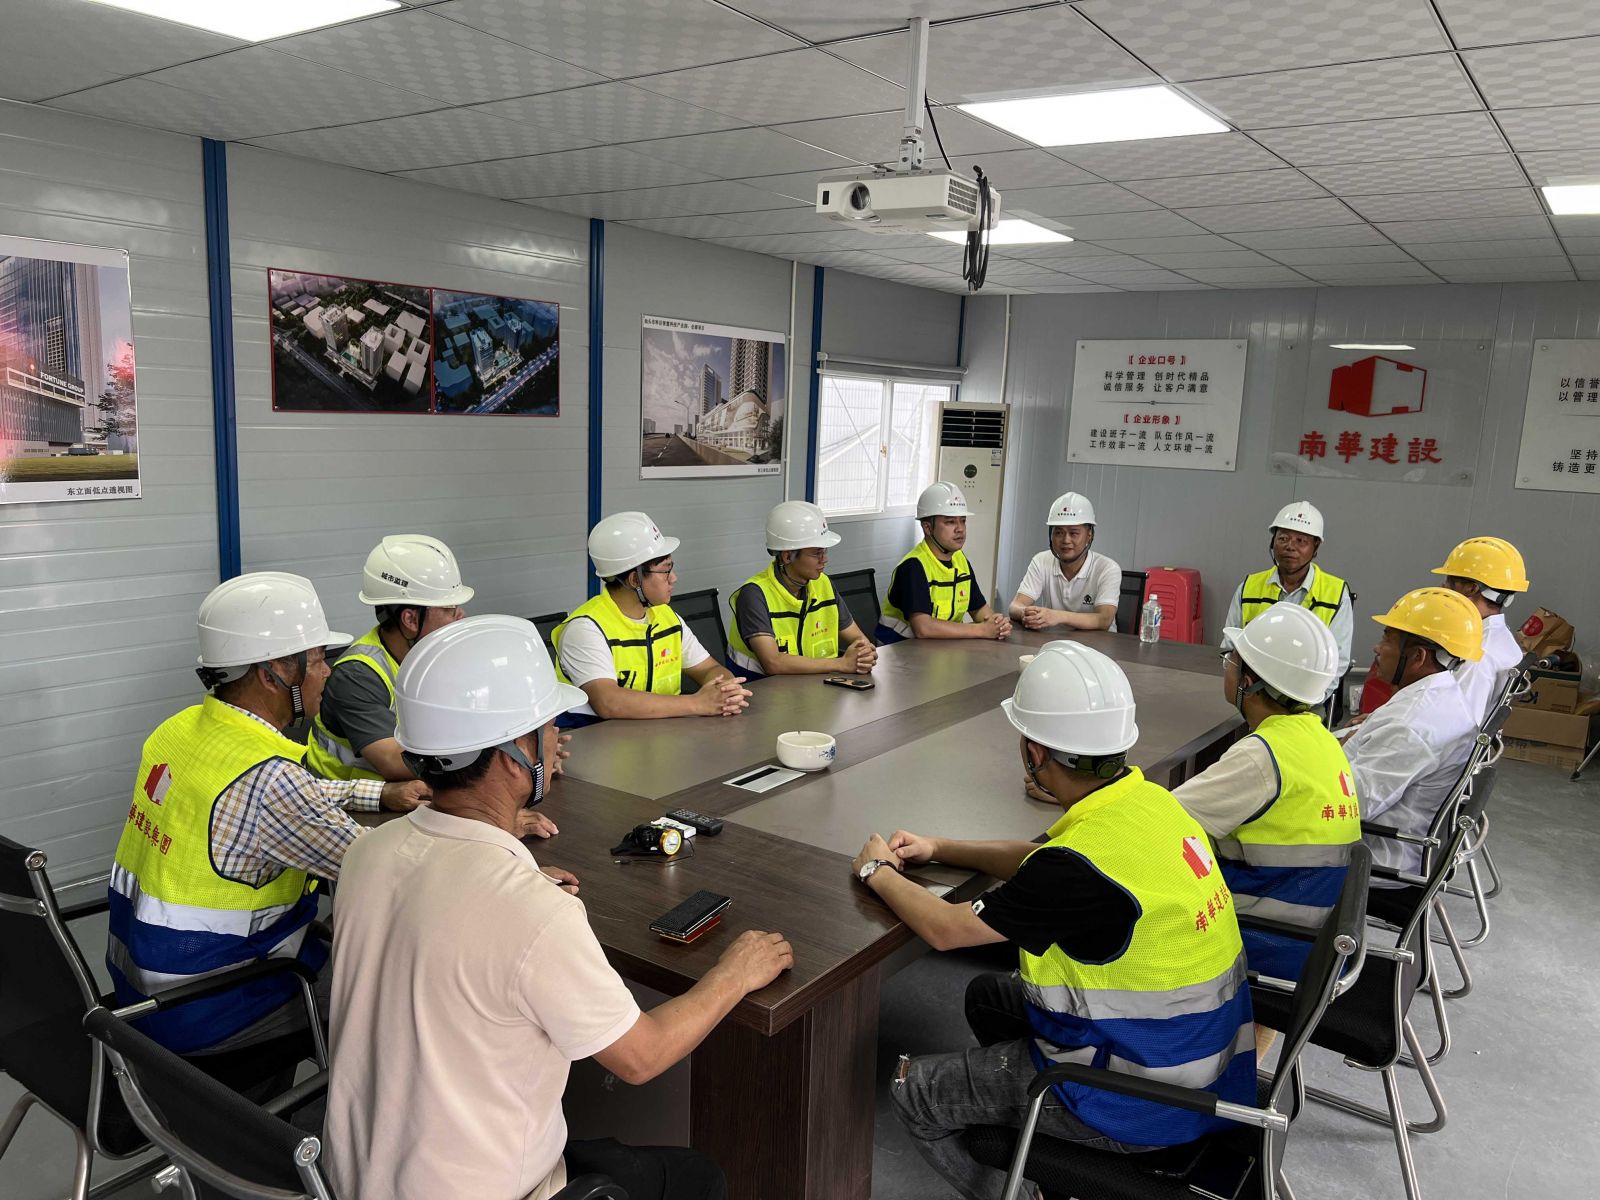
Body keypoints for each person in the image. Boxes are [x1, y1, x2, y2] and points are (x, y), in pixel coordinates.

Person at [326, 615, 793, 1200]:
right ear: (513, 754)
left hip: (354, 1174)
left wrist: (516, 884)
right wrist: (734, 973)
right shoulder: (533, 912)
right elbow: (642, 1057)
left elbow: (445, 908)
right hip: (480, 1189)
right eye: (548, 728)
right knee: (701, 1178)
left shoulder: (367, 852)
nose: (557, 741)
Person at [852, 642, 1254, 1200]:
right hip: (1206, 1067)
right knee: (988, 997)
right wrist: (939, 846)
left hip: (1141, 1098)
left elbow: (946, 929)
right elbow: (1041, 863)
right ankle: (1035, 1129)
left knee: (914, 1090)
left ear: (1034, 752)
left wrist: (875, 870)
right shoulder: (1153, 806)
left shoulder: (1075, 868)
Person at [107, 573, 430, 1057]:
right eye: (317, 659)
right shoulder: (271, 783)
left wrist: (378, 793)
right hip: (218, 1005)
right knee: (399, 991)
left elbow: (272, 799)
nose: (327, 672)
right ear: (273, 671)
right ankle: (341, 1101)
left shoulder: (178, 731)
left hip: (142, 992)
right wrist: (495, 841)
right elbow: (391, 870)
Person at [1174, 603, 1360, 988]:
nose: (1226, 667)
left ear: (1249, 682)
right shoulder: (1321, 739)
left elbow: (1159, 818)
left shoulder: (1263, 756)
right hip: (1311, 936)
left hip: (1264, 940)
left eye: (1231, 660)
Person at [553, 511, 752, 722]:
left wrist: (726, 690)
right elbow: (609, 702)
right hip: (599, 739)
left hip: (663, 734)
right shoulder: (586, 629)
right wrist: (698, 703)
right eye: (666, 570)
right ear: (635, 580)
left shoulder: (666, 617)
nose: (673, 578)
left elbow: (709, 668)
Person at [307, 534, 473, 784]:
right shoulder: (357, 675)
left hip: (409, 792)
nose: (461, 615)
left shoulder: (435, 656)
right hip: (347, 799)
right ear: (411, 619)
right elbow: (395, 762)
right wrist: (486, 757)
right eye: (450, 609)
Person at [1343, 588, 1483, 881]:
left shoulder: (1411, 725)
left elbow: (1353, 804)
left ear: (1418, 657)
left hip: (1370, 859)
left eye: (1387, 639)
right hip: (1399, 842)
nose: (1377, 648)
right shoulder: (1440, 696)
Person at [727, 500, 877, 679]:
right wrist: (841, 664)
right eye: (816, 553)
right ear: (787, 556)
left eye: (824, 551)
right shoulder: (754, 594)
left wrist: (865, 654)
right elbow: (773, 662)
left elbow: (859, 640)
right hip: (760, 689)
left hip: (813, 684)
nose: (824, 559)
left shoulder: (823, 583)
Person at [1224, 501, 1353, 702]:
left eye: (1301, 541)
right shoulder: (1249, 587)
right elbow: (1229, 647)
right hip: (1251, 696)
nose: (1290, 546)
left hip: (1306, 701)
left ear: (1315, 546)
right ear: (1272, 542)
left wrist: (1303, 701)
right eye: (1283, 538)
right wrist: (1244, 691)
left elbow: (1337, 663)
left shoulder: (1336, 594)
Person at [877, 481, 1013, 644]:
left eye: (963, 520)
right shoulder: (913, 566)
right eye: (950, 522)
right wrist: (981, 630)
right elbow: (923, 628)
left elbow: (978, 609)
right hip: (901, 650)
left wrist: (997, 624)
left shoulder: (960, 560)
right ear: (928, 528)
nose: (960, 529)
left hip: (942, 648)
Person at [1432, 536, 1530, 722]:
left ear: (1471, 589)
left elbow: (1454, 724)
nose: (1442, 588)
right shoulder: (1499, 639)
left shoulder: (1477, 656)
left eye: (1449, 581)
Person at [1007, 491, 1122, 632]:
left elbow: (1104, 620)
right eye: (1059, 533)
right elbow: (1015, 606)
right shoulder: (1041, 561)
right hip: (1053, 641)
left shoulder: (1108, 568)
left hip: (1097, 644)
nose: (1066, 540)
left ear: (1089, 535)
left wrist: (1058, 616)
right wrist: (1026, 613)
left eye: (1074, 533)